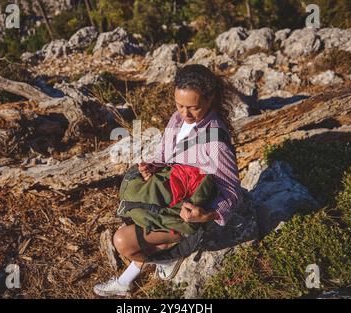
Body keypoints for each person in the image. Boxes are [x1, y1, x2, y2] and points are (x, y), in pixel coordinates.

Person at [94, 64, 242, 297]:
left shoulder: (215, 143)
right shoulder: (176, 120)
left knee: (123, 241)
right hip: (168, 199)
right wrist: (152, 167)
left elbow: (232, 192)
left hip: (187, 218)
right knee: (130, 215)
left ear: (210, 98)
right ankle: (127, 281)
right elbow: (164, 156)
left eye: (193, 107)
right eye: (180, 105)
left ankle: (168, 257)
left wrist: (208, 214)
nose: (185, 114)